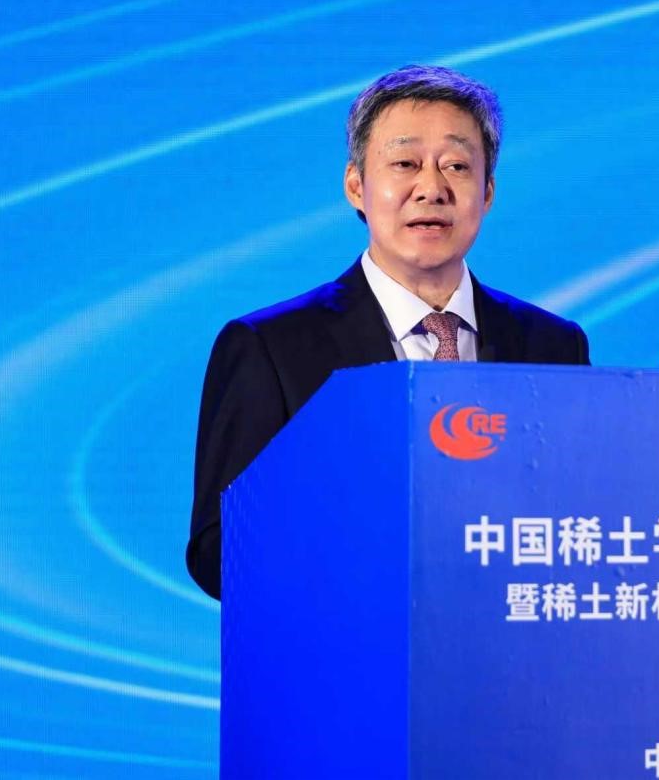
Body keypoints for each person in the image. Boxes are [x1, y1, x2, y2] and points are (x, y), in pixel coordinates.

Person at [187, 65, 590, 599]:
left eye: (456, 166)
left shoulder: (553, 346)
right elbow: (220, 550)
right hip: (347, 639)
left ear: (488, 191)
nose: (432, 188)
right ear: (356, 186)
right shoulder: (270, 348)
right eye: (405, 163)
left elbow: (584, 520)